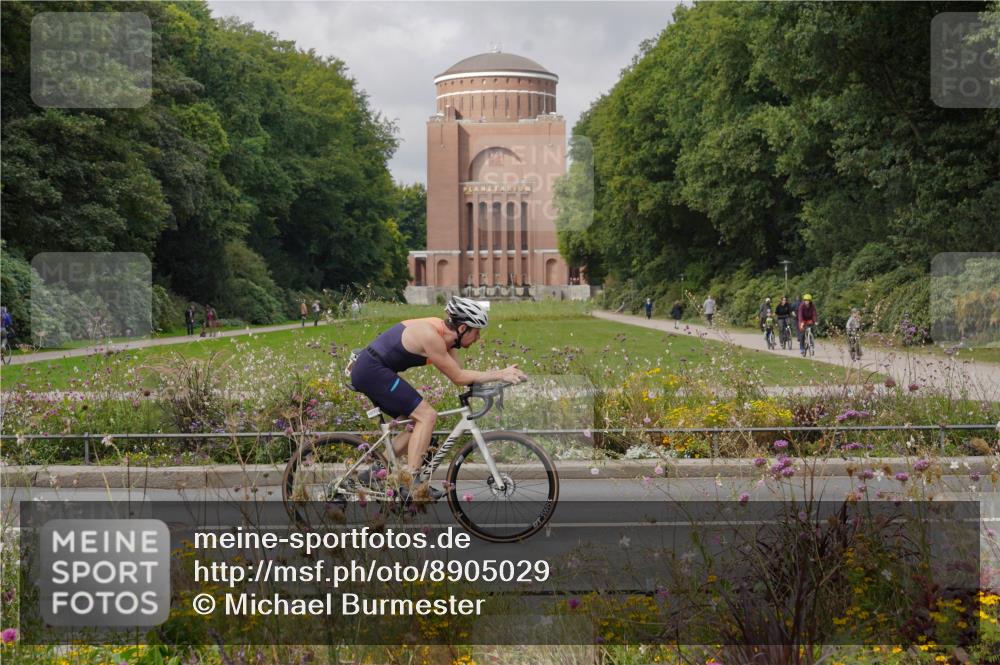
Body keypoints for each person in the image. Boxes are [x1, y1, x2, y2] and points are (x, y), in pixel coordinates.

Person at [350, 296, 526, 500]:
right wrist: (499, 373)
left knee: (415, 424)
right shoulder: (431, 336)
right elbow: (459, 378)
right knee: (426, 416)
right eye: (476, 332)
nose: (478, 338)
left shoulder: (447, 340)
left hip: (375, 369)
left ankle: (372, 474)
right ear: (462, 329)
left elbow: (461, 373)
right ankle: (412, 483)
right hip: (372, 370)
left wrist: (492, 386)